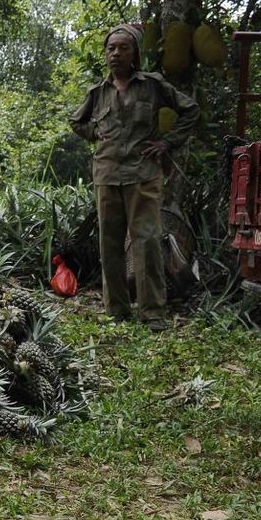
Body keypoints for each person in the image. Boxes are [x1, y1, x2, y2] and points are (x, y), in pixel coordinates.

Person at [69, 24, 199, 332]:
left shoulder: (153, 85)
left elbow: (190, 110)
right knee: (110, 244)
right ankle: (116, 311)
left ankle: (153, 313)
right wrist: (93, 132)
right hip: (107, 175)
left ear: (135, 54)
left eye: (123, 48)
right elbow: (76, 121)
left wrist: (167, 142)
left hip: (143, 175)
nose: (115, 53)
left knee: (148, 242)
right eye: (111, 48)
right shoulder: (98, 92)